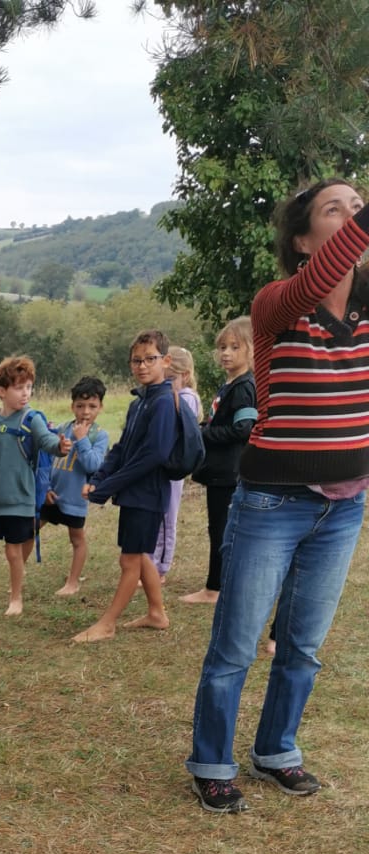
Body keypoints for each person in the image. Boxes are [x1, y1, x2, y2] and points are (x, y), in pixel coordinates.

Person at [186, 179, 369, 813]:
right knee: (236, 645)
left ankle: (275, 750)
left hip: (345, 506)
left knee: (303, 646)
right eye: (335, 210)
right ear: (302, 240)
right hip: (271, 504)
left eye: (358, 206)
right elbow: (317, 280)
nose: (351, 216)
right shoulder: (276, 305)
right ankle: (213, 762)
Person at [72, 331, 176, 644]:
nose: (142, 366)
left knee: (130, 560)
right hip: (133, 493)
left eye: (150, 359)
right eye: (136, 360)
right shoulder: (139, 402)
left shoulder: (163, 403)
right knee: (139, 554)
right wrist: (99, 479)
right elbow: (122, 449)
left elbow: (154, 455)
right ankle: (156, 613)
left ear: (165, 361)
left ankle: (107, 624)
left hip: (148, 494)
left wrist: (109, 486)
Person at [0, 355, 70, 622]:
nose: (26, 393)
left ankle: (16, 599)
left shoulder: (32, 419)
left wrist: (60, 447)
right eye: (19, 387)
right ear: (1, 391)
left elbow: (47, 442)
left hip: (20, 501)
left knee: (14, 553)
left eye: (29, 387)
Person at [181, 317, 257, 606]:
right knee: (220, 528)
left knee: (221, 529)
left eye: (235, 347)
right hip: (218, 470)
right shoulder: (230, 384)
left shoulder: (244, 387)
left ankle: (214, 588)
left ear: (251, 350)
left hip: (228, 471)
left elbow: (243, 429)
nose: (226, 353)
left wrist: (203, 432)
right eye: (223, 347)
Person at [38, 375, 109, 598]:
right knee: (29, 530)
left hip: (75, 499)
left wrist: (82, 439)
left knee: (77, 539)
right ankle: (17, 574)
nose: (85, 412)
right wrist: (45, 487)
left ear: (100, 407)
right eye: (80, 406)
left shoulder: (100, 435)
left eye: (92, 406)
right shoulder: (62, 428)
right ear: (72, 406)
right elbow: (48, 459)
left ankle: (73, 582)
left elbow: (93, 464)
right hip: (52, 495)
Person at [151, 346, 201, 580]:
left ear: (185, 375)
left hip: (174, 467)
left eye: (171, 378)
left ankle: (161, 567)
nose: (167, 383)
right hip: (162, 465)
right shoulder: (171, 396)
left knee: (167, 517)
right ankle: (151, 562)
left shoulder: (186, 397)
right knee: (158, 513)